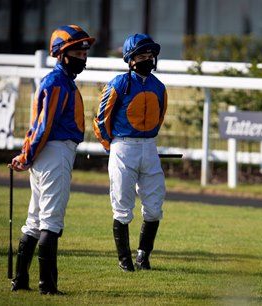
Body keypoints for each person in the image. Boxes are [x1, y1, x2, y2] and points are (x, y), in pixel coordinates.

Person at [8, 25, 95, 294]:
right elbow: (43, 126)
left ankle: (21, 280)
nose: (83, 56)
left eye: (84, 51)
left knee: (35, 220)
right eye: (77, 51)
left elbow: (39, 127)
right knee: (50, 221)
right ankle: (47, 286)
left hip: (50, 153)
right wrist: (26, 155)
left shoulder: (62, 81)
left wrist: (27, 155)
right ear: (61, 54)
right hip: (54, 153)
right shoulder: (57, 82)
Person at [93, 33, 168, 272]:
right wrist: (111, 146)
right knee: (123, 207)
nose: (147, 60)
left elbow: (160, 117)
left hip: (149, 147)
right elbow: (101, 119)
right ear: (130, 59)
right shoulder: (118, 84)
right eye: (142, 56)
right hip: (123, 147)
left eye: (150, 56)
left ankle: (143, 256)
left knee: (154, 208)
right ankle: (124, 259)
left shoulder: (159, 87)